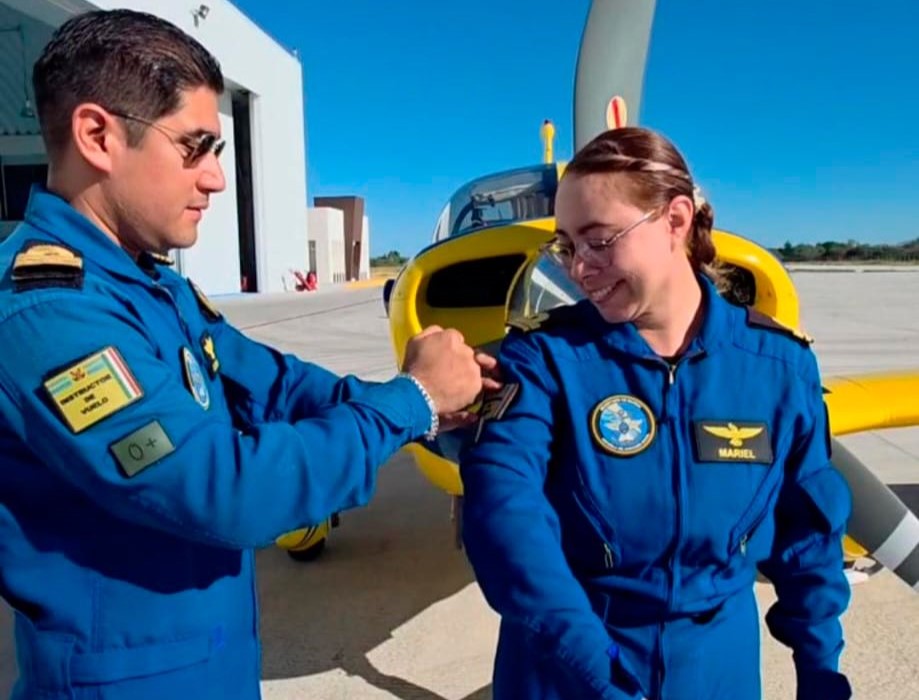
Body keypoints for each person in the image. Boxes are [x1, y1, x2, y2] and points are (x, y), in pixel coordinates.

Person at [0, 10, 493, 699]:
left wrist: (433, 401)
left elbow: (272, 382)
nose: (215, 180)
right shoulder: (52, 315)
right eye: (194, 147)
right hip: (126, 681)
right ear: (96, 136)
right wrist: (409, 403)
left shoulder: (150, 283)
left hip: (207, 659)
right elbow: (223, 491)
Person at [460, 126, 853, 700]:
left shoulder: (778, 368)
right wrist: (596, 666)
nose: (578, 268)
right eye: (567, 245)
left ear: (676, 219)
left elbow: (810, 534)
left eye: (598, 239)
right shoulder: (544, 361)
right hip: (568, 670)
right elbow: (504, 516)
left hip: (717, 671)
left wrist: (821, 670)